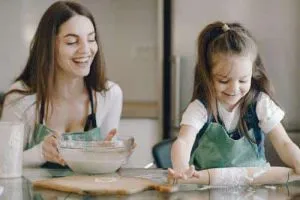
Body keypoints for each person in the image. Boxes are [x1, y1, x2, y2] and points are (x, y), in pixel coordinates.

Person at [169, 21, 300, 181]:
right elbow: (183, 141)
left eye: (243, 80)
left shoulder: (260, 104)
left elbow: (284, 143)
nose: (234, 89)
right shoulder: (201, 108)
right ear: (208, 77)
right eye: (223, 81)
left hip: (253, 188)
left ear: (253, 73)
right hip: (207, 189)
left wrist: (298, 161)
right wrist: (181, 167)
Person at [1, 1, 122, 167]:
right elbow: (3, 163)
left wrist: (113, 155)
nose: (86, 50)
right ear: (49, 46)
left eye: (91, 39)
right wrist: (40, 152)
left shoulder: (109, 94)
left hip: (87, 192)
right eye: (72, 42)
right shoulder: (20, 98)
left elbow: (109, 168)